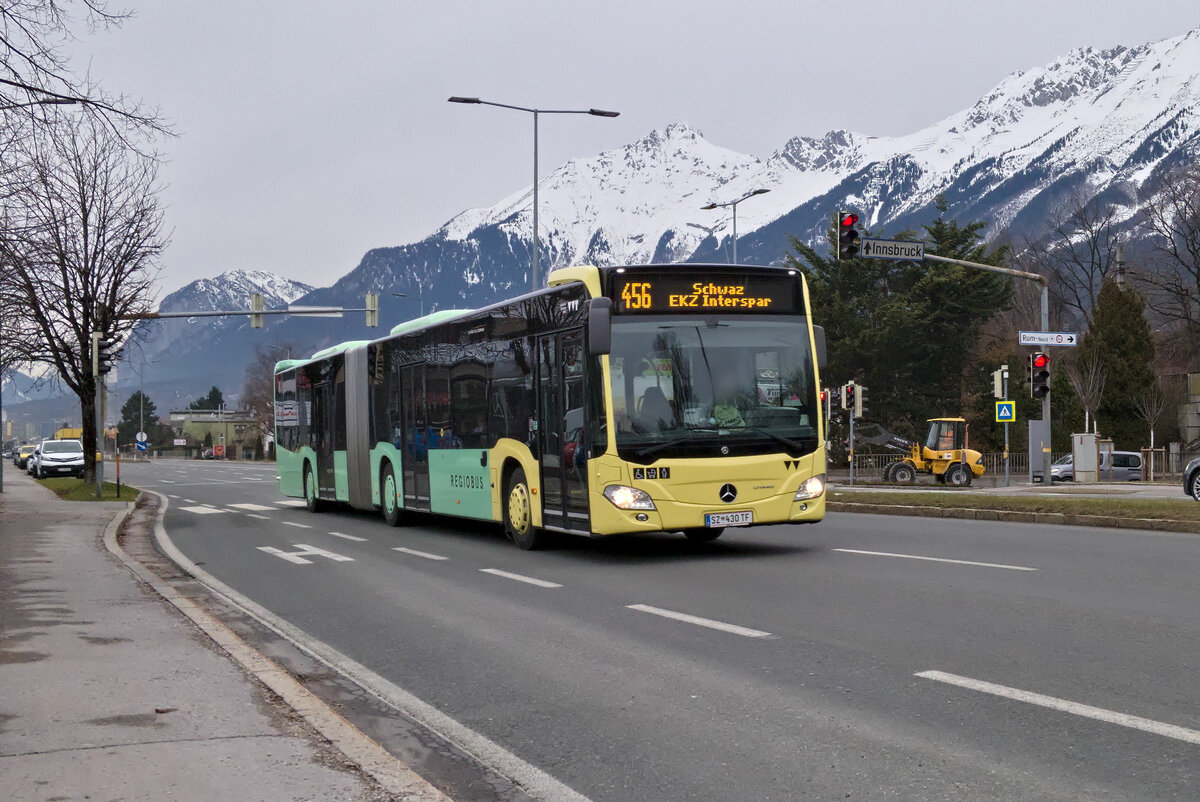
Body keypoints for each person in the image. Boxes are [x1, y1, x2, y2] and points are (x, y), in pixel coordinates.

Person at [707, 360, 753, 428]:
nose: (728, 383)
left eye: (731, 379)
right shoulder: (713, 401)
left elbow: (754, 414)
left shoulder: (743, 401)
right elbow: (708, 420)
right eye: (725, 379)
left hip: (743, 436)